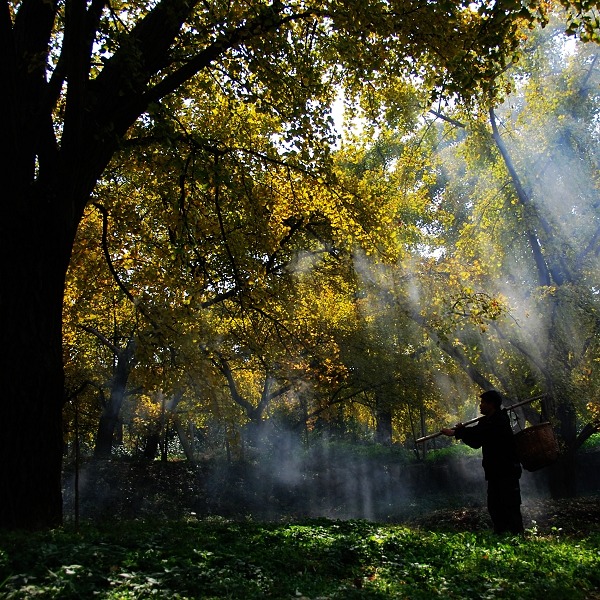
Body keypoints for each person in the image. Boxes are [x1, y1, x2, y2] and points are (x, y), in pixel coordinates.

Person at [441, 390, 524, 534]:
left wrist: (456, 433)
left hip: (506, 471)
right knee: (495, 506)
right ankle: (501, 534)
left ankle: (517, 535)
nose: (480, 406)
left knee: (510, 505)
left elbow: (481, 433)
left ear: (491, 404)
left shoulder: (499, 421)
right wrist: (461, 431)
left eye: (483, 402)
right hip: (494, 472)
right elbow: (476, 441)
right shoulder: (488, 421)